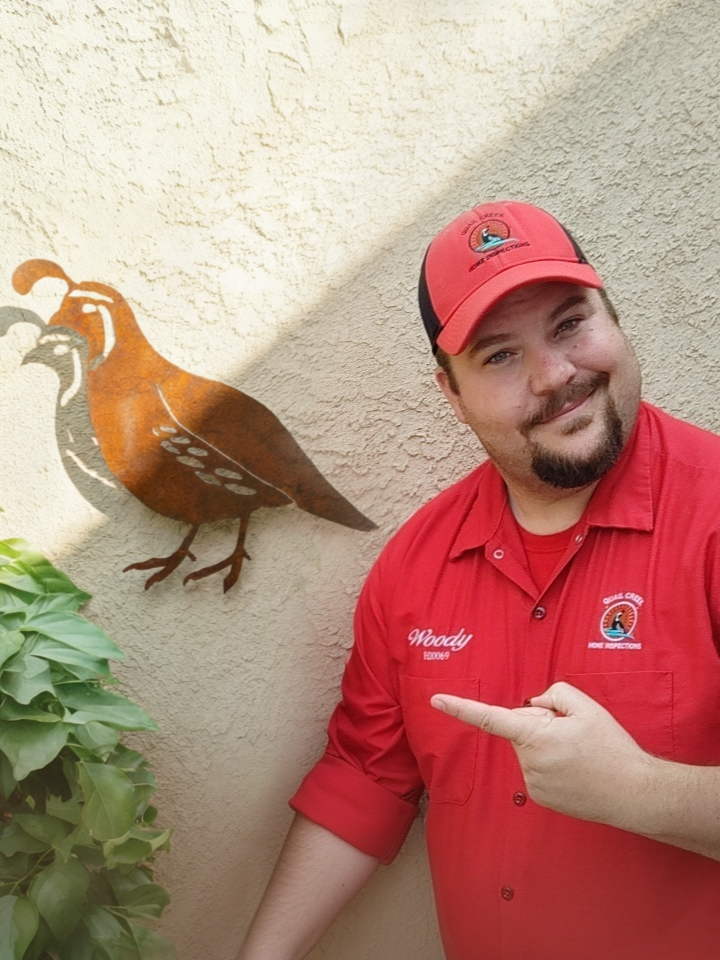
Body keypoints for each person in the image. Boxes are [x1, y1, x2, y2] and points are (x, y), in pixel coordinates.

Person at [238, 201, 720, 960]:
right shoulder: (414, 566)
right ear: (451, 395)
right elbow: (368, 779)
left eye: (569, 324)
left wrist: (638, 792)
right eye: (498, 355)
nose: (554, 374)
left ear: (614, 319)